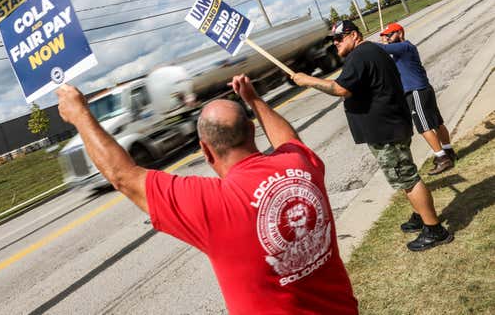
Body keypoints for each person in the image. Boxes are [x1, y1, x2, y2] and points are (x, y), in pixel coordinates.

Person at [57, 75, 358, 315]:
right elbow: (289, 140)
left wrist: (80, 114)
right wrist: (253, 99)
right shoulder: (299, 165)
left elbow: (124, 176)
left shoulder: (213, 203)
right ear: (252, 132)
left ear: (205, 150)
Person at [292, 20, 453, 251]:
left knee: (407, 178)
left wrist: (306, 80)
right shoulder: (372, 51)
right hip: (390, 125)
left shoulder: (360, 55)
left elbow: (340, 89)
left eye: (340, 38)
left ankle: (435, 230)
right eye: (333, 40)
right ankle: (420, 216)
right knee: (404, 174)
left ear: (354, 34)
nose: (335, 43)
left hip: (386, 130)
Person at [376, 22, 456, 175]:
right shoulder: (400, 51)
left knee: (424, 127)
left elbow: (382, 49)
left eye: (389, 35)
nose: (386, 38)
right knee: (437, 123)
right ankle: (448, 151)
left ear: (399, 33)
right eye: (385, 36)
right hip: (423, 89)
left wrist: (372, 44)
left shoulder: (404, 47)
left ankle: (442, 158)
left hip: (416, 92)